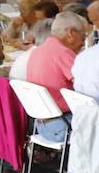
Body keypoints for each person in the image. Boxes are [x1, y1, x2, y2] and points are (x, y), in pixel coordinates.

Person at [25, 11, 89, 140]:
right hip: (63, 125)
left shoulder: (36, 51)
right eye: (83, 37)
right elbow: (86, 86)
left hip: (42, 125)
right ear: (71, 33)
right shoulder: (63, 52)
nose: (83, 43)